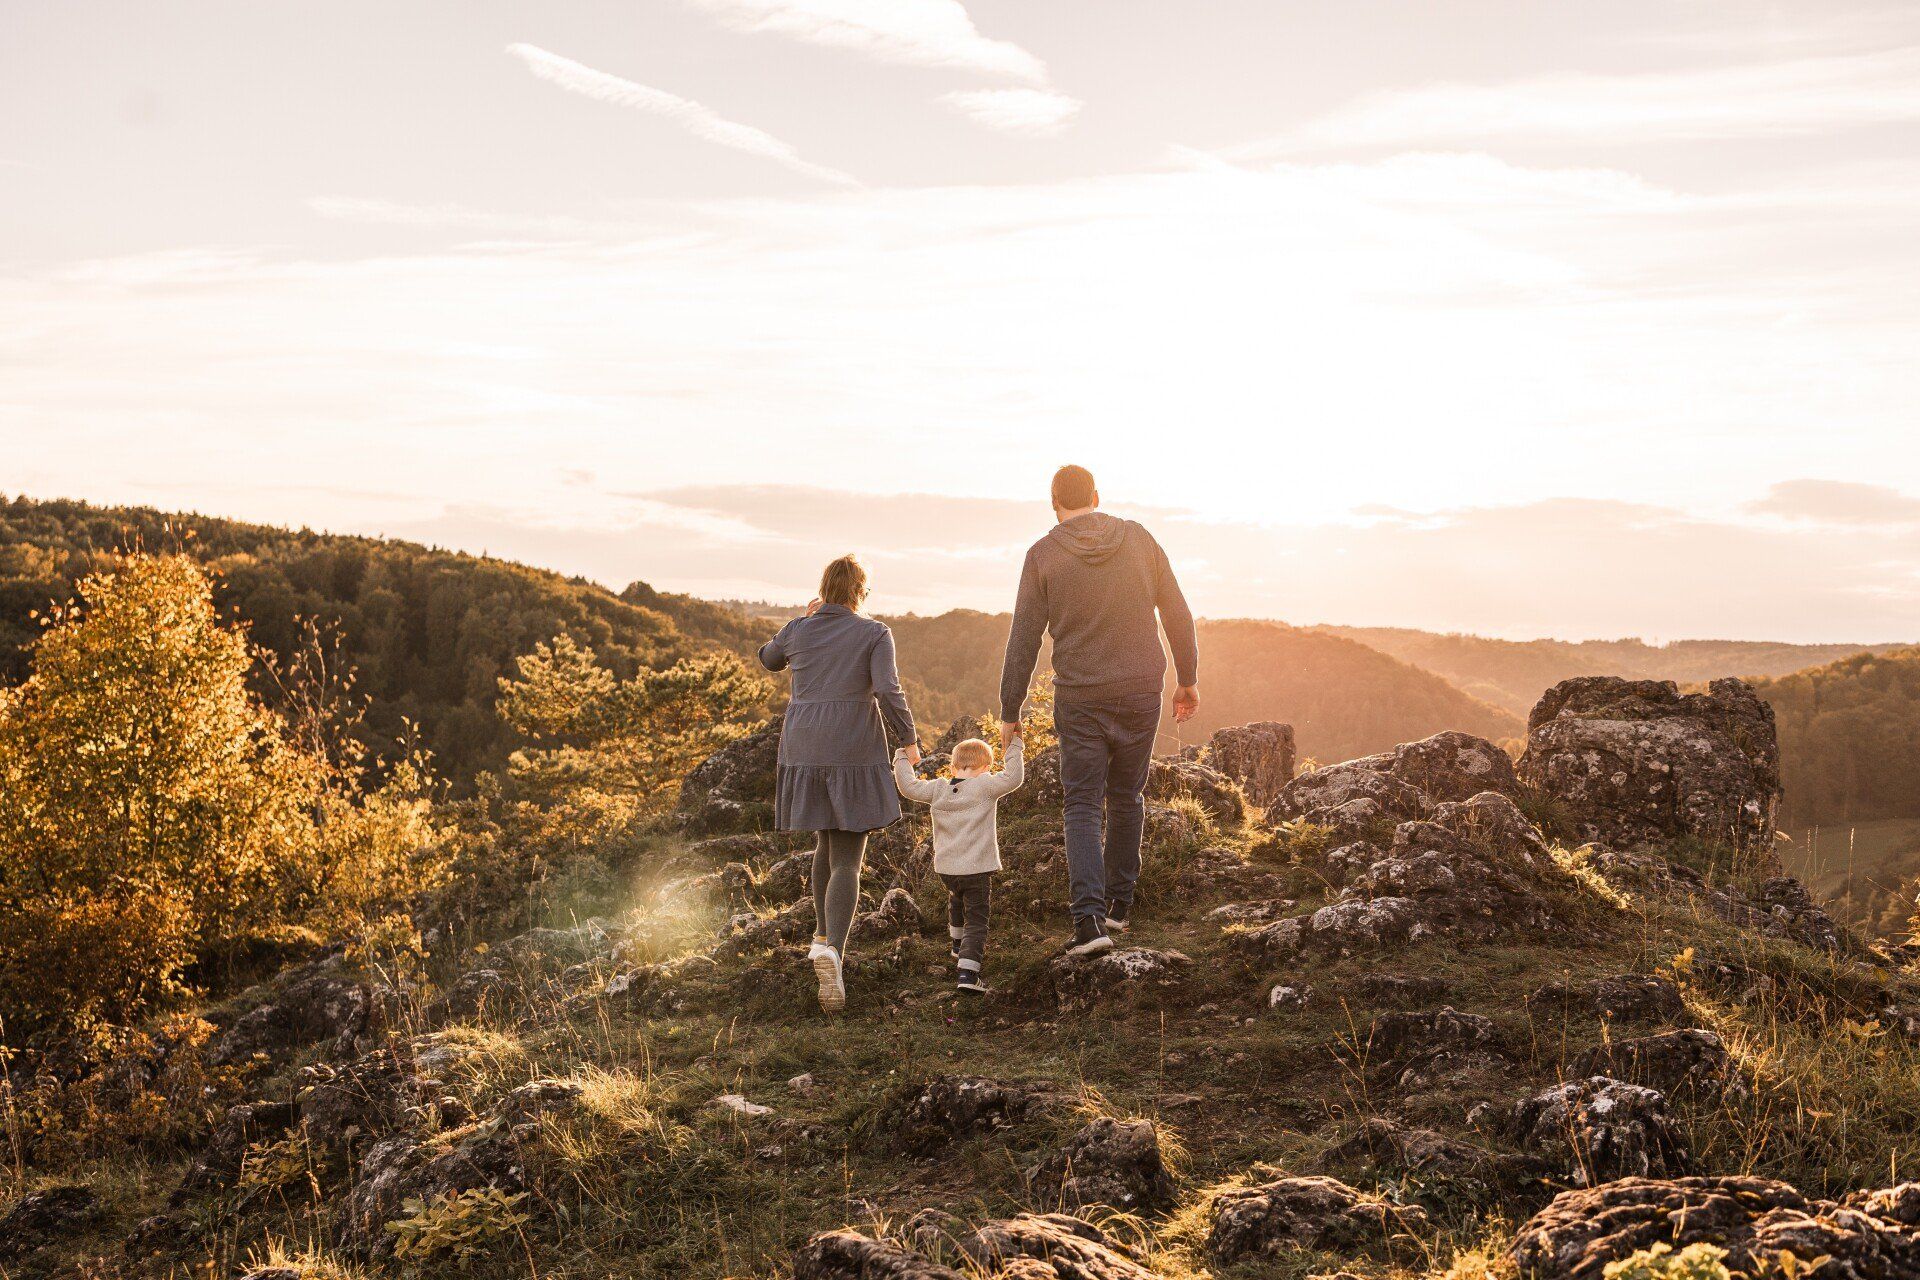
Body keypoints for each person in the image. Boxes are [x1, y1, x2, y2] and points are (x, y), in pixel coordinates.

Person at [998, 465, 1199, 957]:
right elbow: (1176, 609)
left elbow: (1024, 636)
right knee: (1128, 795)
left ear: (1054, 504)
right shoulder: (1139, 539)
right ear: (1095, 495)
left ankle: (1089, 922)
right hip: (1139, 688)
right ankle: (1118, 907)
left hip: (1081, 695)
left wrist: (1010, 709)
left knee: (1083, 804)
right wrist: (1187, 678)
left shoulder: (1043, 554)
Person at [757, 555, 918, 1013]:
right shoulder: (874, 632)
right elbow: (888, 690)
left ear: (824, 588)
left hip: (803, 745)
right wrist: (908, 740)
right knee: (848, 854)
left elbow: (768, 658)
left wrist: (801, 620)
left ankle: (821, 938)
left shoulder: (799, 628)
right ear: (860, 592)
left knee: (825, 843)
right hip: (851, 745)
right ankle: (835, 956)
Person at [892, 734, 1025, 994]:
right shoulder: (986, 785)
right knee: (977, 917)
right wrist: (1014, 746)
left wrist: (901, 757)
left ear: (953, 767)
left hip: (947, 868)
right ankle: (968, 972)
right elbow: (1014, 778)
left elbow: (907, 786)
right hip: (976, 868)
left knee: (956, 898)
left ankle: (956, 944)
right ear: (986, 767)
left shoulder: (938, 788)